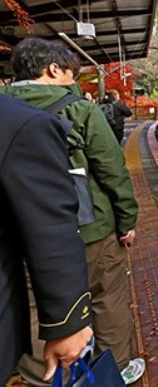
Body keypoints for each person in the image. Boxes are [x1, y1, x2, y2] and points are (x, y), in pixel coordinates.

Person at [1, 38, 144, 385]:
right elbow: (112, 170)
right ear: (53, 69)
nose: (73, 82)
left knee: (36, 306)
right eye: (70, 74)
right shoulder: (82, 109)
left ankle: (44, 377)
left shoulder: (6, 110)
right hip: (91, 229)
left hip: (21, 235)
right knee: (107, 300)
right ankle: (116, 370)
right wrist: (127, 220)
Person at [0, 93, 94, 384]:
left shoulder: (17, 120)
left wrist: (67, 323)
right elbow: (51, 225)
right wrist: (69, 325)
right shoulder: (18, 121)